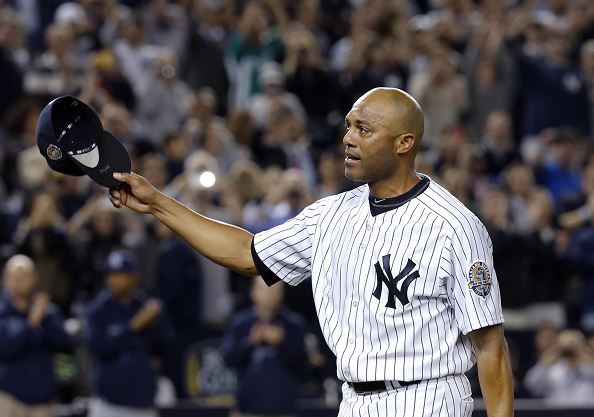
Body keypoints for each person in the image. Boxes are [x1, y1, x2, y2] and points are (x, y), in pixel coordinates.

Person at [109, 87, 514, 416]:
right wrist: (159, 203)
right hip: (353, 401)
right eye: (349, 126)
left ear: (404, 143)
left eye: (364, 130)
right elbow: (247, 254)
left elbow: (490, 346)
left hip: (428, 399)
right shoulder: (330, 215)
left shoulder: (454, 226)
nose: (348, 139)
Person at [84, 249, 174, 417]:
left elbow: (165, 345)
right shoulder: (98, 309)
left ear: (134, 277)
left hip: (143, 403)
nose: (115, 280)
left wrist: (155, 323)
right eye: (112, 275)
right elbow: (96, 346)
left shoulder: (146, 306)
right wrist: (131, 327)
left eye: (122, 275)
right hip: (108, 404)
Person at [221, 277, 308, 417]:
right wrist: (250, 341)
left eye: (276, 290)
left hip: (283, 410)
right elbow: (228, 359)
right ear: (253, 291)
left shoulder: (293, 324)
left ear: (282, 293)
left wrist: (282, 342)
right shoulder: (240, 323)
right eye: (266, 288)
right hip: (246, 410)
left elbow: (302, 364)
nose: (270, 294)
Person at [0, 254, 73, 417]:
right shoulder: (3, 313)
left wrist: (44, 317)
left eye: (24, 276)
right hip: (8, 399)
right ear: (5, 280)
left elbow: (64, 344)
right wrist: (32, 322)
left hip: (43, 401)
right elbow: (7, 346)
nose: (18, 281)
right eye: (14, 277)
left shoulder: (48, 312)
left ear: (34, 278)